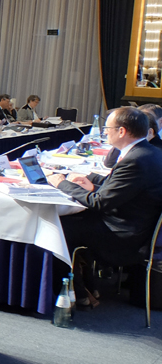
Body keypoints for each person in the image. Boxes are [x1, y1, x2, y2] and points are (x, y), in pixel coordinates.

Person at [49, 107, 162, 304]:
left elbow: (99, 202)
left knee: (55, 226)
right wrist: (92, 184)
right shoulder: (150, 152)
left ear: (121, 131)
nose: (105, 132)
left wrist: (62, 184)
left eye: (107, 128)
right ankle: (87, 287)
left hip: (123, 235)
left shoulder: (135, 160)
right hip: (137, 226)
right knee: (73, 219)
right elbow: (124, 187)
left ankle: (72, 294)